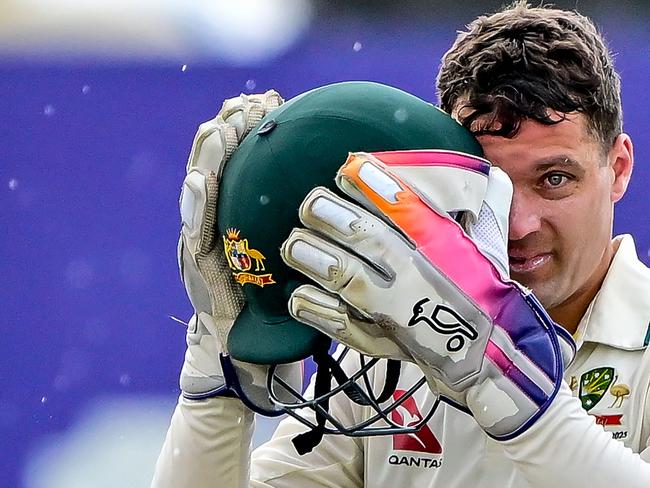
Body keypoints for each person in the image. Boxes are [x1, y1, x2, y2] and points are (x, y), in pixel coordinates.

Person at [152, 3, 650, 487]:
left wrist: (506, 381)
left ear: (619, 169)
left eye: (555, 179)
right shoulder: (387, 346)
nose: (517, 225)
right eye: (491, 185)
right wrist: (216, 373)